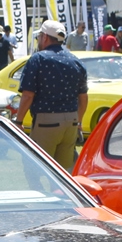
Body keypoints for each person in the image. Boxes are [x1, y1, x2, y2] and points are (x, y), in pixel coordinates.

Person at [15, 20, 88, 170]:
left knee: (36, 167)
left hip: (47, 120)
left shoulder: (38, 59)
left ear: (45, 37)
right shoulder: (75, 61)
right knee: (64, 172)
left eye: (39, 37)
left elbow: (28, 95)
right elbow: (83, 97)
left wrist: (19, 121)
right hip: (71, 120)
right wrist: (78, 121)